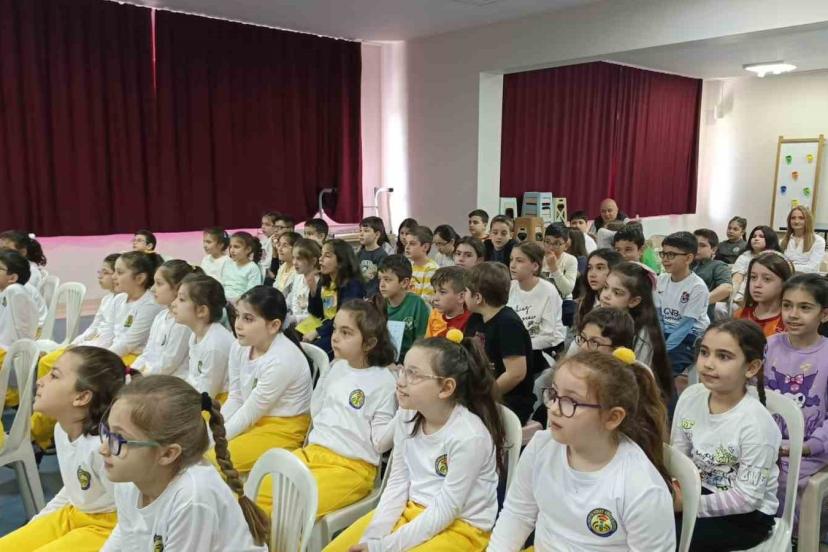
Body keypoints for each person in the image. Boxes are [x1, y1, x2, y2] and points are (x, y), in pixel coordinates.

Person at [324, 333, 504, 551]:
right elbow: (398, 481)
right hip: (412, 511)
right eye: (403, 370)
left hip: (460, 528)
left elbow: (446, 510)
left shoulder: (470, 436)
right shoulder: (407, 414)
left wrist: (382, 547)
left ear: (446, 388)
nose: (400, 382)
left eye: (413, 374)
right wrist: (373, 537)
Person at [489, 350, 675, 551]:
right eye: (554, 394)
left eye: (571, 401)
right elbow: (517, 514)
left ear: (612, 417)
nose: (554, 408)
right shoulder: (541, 446)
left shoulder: (642, 488)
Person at [258, 301, 397, 517]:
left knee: (289, 505)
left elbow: (380, 443)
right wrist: (327, 373)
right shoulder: (338, 366)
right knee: (262, 487)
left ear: (369, 343)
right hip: (314, 453)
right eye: (335, 329)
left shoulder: (384, 382)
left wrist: (405, 411)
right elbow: (317, 411)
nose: (335, 337)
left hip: (351, 467)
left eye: (346, 332)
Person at [100, 375, 269, 551]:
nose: (103, 449)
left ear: (168, 454)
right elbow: (126, 536)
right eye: (107, 431)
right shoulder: (129, 479)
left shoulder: (192, 497)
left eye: (118, 439)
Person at [0, 347, 126, 551]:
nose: (40, 381)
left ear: (82, 397)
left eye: (54, 376)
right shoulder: (60, 429)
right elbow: (72, 489)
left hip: (109, 527)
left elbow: (131, 515)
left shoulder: (103, 448)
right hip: (74, 514)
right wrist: (36, 524)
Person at [672, 320, 780, 551]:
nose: (708, 364)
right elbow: (678, 456)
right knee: (640, 517)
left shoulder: (757, 424)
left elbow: (747, 498)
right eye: (704, 352)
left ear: (751, 368)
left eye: (723, 356)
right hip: (696, 491)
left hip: (746, 516)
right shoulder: (690, 397)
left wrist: (687, 505)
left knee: (668, 537)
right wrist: (673, 490)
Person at [220, 286, 312, 472]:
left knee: (215, 458)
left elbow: (249, 412)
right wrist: (213, 430)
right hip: (254, 416)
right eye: (237, 315)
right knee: (200, 429)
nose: (238, 325)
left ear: (274, 325)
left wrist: (215, 439)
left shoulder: (282, 360)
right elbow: (236, 397)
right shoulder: (239, 346)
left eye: (248, 319)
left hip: (282, 428)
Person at [764, 274, 828, 513]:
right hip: (764, 441)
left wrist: (808, 446)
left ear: (824, 314)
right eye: (787, 305)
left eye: (805, 307)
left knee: (780, 481)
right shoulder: (768, 345)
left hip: (809, 450)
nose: (793, 314)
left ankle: (787, 532)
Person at [465, 262, 535, 423]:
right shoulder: (475, 318)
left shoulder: (508, 324)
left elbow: (515, 374)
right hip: (480, 393)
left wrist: (483, 397)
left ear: (478, 298)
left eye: (466, 291)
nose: (463, 295)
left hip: (508, 400)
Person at [600, 262, 674, 403]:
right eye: (605, 287)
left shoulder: (642, 334)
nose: (606, 295)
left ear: (634, 301)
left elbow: (635, 380)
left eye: (617, 293)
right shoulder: (599, 316)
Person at [656, 232, 710, 376]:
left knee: (664, 367)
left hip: (691, 336)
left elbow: (686, 325)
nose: (665, 259)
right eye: (663, 254)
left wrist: (665, 348)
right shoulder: (661, 280)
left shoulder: (697, 287)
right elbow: (658, 316)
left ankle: (664, 390)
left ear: (688, 258)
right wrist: (658, 341)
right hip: (666, 331)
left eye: (671, 255)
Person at [174, 273, 236, 400]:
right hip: (201, 396)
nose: (173, 303)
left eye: (181, 299)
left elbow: (207, 394)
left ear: (201, 311)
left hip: (219, 402)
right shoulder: (196, 334)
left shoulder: (215, 345)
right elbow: (195, 378)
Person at [130, 260, 195, 378]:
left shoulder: (183, 323)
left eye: (159, 284)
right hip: (151, 375)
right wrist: (132, 372)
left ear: (177, 288)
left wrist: (141, 379)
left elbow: (169, 364)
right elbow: (147, 352)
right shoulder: (160, 316)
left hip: (172, 381)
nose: (152, 289)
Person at [508, 241, 565, 370]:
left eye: (519, 261)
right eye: (511, 259)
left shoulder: (548, 291)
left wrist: (516, 347)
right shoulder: (511, 287)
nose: (512, 265)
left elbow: (548, 336)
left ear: (535, 266)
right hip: (518, 347)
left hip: (545, 350)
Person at [305, 239, 366, 356]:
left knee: (313, 351)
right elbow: (316, 313)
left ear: (341, 262)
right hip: (325, 326)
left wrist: (317, 332)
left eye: (327, 256)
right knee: (293, 336)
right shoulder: (325, 281)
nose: (320, 259)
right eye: (321, 254)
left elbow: (344, 316)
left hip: (341, 331)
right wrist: (313, 289)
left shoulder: (352, 285)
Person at [0, 250, 39, 407]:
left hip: (11, 348)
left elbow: (22, 331)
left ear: (12, 278)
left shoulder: (14, 291)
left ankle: (13, 398)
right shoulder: (7, 291)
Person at [376, 255, 429, 362]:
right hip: (383, 360)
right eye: (380, 279)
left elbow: (421, 340)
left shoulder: (417, 304)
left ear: (404, 282)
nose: (381, 285)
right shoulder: (376, 303)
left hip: (409, 361)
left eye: (387, 279)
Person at [734, 252, 793, 337]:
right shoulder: (740, 315)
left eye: (767, 279)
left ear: (784, 283)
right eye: (753, 277)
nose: (757, 284)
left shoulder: (790, 321)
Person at [71, 253, 120, 348]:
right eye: (100, 272)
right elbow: (94, 327)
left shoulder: (122, 302)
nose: (100, 276)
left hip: (104, 347)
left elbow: (109, 338)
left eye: (105, 273)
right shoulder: (106, 299)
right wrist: (75, 343)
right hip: (95, 343)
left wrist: (81, 347)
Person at [731, 225, 781, 305]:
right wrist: (732, 297)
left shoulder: (777, 258)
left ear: (770, 239)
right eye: (754, 236)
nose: (756, 239)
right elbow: (737, 279)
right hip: (742, 295)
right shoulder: (744, 256)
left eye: (761, 236)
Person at [575, 248, 623, 328]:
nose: (592, 274)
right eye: (590, 268)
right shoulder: (584, 302)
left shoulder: (620, 304)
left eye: (599, 268)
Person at [692, 229, 734, 321]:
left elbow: (726, 288)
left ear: (713, 249)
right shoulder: (688, 266)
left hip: (701, 320)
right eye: (694, 244)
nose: (696, 248)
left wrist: (698, 302)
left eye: (702, 245)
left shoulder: (718, 265)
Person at [426, 266, 471, 338]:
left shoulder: (470, 320)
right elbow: (428, 341)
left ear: (461, 297)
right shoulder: (435, 314)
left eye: (442, 292)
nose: (435, 298)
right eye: (435, 291)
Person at [781, 205, 826, 273]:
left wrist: (788, 266)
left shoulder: (818, 241)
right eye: (793, 218)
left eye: (801, 218)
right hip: (787, 277)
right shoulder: (782, 241)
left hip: (807, 278)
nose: (796, 221)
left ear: (808, 221)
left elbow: (812, 268)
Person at [288, 238, 321, 328]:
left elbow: (316, 315)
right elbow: (292, 299)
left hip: (310, 327)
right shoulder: (298, 276)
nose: (294, 262)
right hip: (296, 324)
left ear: (313, 261)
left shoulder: (319, 281)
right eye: (293, 258)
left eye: (299, 259)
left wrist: (294, 319)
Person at [224, 231, 264, 302]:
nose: (232, 250)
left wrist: (236, 301)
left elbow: (252, 293)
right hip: (224, 300)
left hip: (241, 302)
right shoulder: (228, 264)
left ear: (248, 249)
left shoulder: (252, 268)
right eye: (230, 247)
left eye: (236, 247)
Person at [541, 223, 578, 299]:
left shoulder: (570, 260)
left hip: (564, 301)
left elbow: (567, 290)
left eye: (557, 243)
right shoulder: (537, 257)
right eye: (547, 242)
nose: (551, 247)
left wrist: (554, 268)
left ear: (566, 246)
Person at [405, 226, 440, 304]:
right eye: (406, 243)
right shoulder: (408, 265)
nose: (407, 247)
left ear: (425, 247)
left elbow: (426, 300)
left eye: (412, 244)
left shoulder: (432, 269)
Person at [358, 216, 390, 298]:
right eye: (360, 230)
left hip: (375, 297)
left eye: (366, 231)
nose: (361, 234)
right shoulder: (359, 254)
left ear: (377, 234)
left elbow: (382, 279)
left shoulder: (382, 255)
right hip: (360, 296)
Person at [273, 231, 301, 295]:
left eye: (285, 246)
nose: (279, 249)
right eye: (279, 245)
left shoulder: (299, 271)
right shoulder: (282, 267)